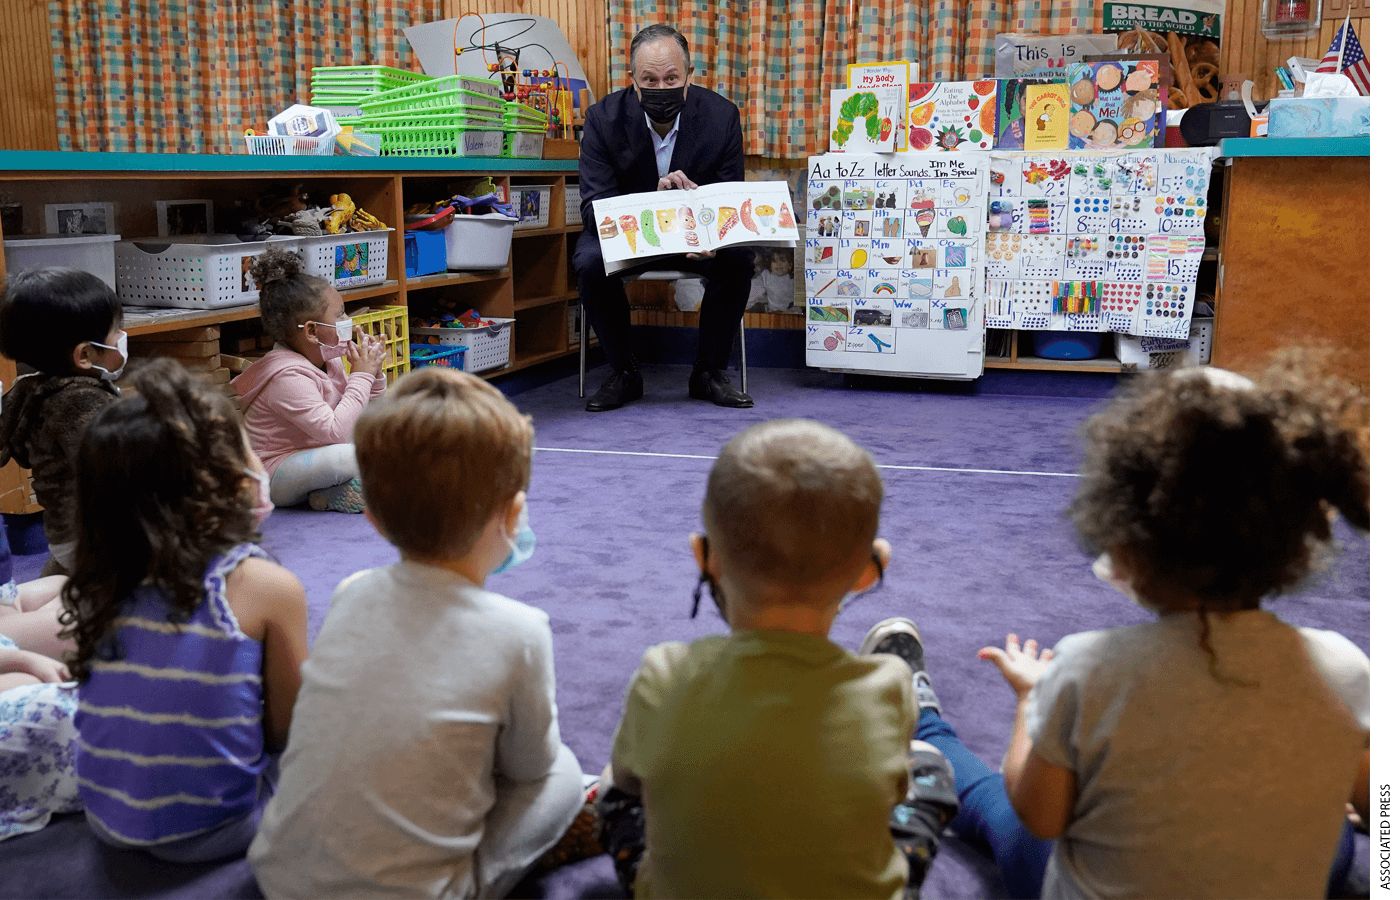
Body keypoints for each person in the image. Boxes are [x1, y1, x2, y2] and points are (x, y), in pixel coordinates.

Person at [888, 362, 1371, 899]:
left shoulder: (1089, 669)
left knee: (992, 800)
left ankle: (923, 722)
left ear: (1126, 542)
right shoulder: (1344, 667)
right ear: (1297, 541)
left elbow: (1040, 817)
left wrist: (1031, 700)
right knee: (1336, 842)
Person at [250, 367, 593, 899]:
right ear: (515, 514)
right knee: (565, 774)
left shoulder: (350, 591)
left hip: (279, 876)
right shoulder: (521, 631)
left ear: (373, 520)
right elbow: (532, 767)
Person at [596, 419, 959, 899]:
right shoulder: (887, 686)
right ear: (872, 570)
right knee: (929, 766)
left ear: (703, 556)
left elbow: (628, 780)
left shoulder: (663, 673)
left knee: (611, 789)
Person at [62, 358, 308, 862]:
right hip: (215, 830)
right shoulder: (266, 586)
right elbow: (288, 730)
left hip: (105, 819)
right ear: (228, 481)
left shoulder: (98, 578)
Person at [574, 24, 755, 411]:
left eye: (671, 78)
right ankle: (624, 373)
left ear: (689, 77)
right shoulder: (602, 120)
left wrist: (710, 235)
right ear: (633, 82)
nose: (661, 87)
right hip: (631, 236)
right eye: (649, 80)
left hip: (697, 237)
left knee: (739, 258)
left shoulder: (721, 117)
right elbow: (593, 211)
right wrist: (649, 212)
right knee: (589, 261)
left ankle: (708, 372)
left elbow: (728, 199)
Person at [233, 246, 387, 513]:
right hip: (275, 475)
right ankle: (342, 486)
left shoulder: (330, 357)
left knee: (390, 436)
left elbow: (367, 415)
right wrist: (361, 375)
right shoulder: (287, 377)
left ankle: (325, 496)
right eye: (340, 314)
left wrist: (374, 374)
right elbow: (337, 433)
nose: (348, 320)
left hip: (317, 454)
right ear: (313, 332)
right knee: (350, 456)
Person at [0, 268, 126, 576]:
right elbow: (124, 465)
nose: (123, 338)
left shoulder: (32, 390)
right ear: (84, 355)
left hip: (61, 536)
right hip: (99, 540)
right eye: (117, 331)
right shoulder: (81, 403)